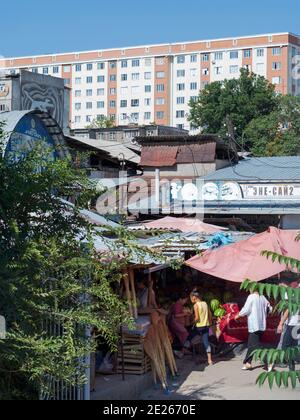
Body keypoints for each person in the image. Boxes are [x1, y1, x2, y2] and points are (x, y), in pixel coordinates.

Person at [235, 291, 272, 371]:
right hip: (262, 325)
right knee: (251, 345)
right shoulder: (263, 298)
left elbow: (246, 309)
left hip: (254, 325)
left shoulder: (251, 297)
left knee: (256, 346)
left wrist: (238, 315)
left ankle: (268, 361)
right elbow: (270, 308)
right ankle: (248, 363)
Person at [184, 292, 213, 366]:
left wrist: (191, 322)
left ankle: (183, 350)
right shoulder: (205, 303)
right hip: (206, 326)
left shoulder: (196, 305)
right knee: (206, 342)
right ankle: (210, 360)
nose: (191, 300)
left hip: (199, 326)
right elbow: (210, 314)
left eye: (191, 298)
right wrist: (210, 323)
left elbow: (197, 318)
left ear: (194, 297)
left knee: (189, 336)